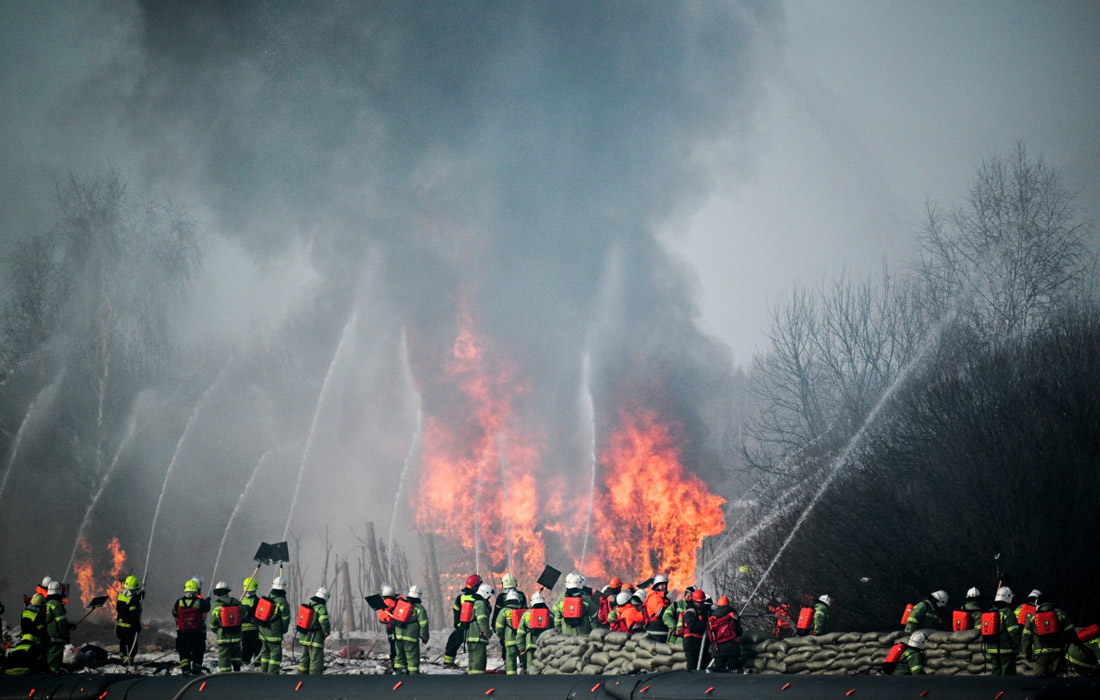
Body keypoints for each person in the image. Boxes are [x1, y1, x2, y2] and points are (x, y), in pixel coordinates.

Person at [1021, 592, 1075, 677]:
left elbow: (1026, 636)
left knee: (1039, 678)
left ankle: (1041, 690)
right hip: (1058, 651)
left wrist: (1026, 652)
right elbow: (1071, 631)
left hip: (1040, 653)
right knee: (1058, 677)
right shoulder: (1060, 614)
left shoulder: (1033, 617)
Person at [3, 594, 48, 675]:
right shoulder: (38, 616)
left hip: (24, 640)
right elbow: (43, 633)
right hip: (34, 642)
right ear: (41, 605)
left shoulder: (24, 613)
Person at [173, 578, 210, 675]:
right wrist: (207, 601)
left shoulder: (179, 602)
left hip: (182, 633)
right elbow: (207, 608)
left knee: (184, 651)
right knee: (198, 650)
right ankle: (196, 669)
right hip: (197, 633)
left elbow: (174, 613)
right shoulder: (199, 602)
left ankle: (185, 669)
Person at [443, 574, 482, 667]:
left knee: (452, 642)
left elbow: (456, 611)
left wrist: (457, 625)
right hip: (475, 629)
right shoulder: (479, 599)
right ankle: (476, 665)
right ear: (475, 587)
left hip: (462, 627)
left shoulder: (460, 598)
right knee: (476, 648)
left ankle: (448, 663)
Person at [983, 586, 1021, 675]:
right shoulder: (1008, 612)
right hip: (1005, 649)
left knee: (996, 672)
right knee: (1008, 673)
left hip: (992, 648)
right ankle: (1006, 689)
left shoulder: (991, 611)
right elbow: (1014, 632)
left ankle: (995, 688)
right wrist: (1021, 645)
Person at [257, 575, 291, 674]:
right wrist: (283, 630)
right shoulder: (283, 602)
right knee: (275, 655)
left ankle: (263, 673)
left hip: (263, 631)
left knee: (265, 653)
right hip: (274, 633)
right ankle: (272, 675)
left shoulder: (269, 597)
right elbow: (285, 619)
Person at [392, 585, 429, 674]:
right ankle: (413, 677)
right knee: (412, 658)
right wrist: (425, 637)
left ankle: (399, 675)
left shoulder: (401, 604)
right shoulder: (419, 608)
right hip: (410, 637)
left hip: (397, 636)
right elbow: (424, 624)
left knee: (399, 657)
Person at [209, 581, 244, 672]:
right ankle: (237, 671)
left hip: (223, 636)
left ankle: (225, 674)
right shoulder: (236, 602)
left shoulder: (216, 605)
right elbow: (244, 614)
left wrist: (218, 631)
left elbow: (212, 623)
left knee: (223, 657)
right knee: (236, 654)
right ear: (227, 591)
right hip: (236, 635)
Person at [492, 573, 527, 662]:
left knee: (507, 652)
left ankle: (508, 666)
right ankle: (523, 667)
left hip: (506, 630)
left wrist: (494, 627)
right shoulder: (521, 595)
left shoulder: (501, 597)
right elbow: (526, 611)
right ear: (515, 583)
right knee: (522, 649)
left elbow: (496, 614)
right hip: (521, 628)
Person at [297, 587, 331, 675]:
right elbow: (324, 620)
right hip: (315, 638)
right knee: (316, 658)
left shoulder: (311, 604)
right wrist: (326, 630)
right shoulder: (321, 607)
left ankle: (301, 676)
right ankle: (314, 679)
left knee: (304, 658)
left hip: (305, 636)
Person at [708, 595, 743, 673]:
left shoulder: (713, 616)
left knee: (719, 670)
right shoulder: (732, 614)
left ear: (718, 605)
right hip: (732, 647)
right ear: (728, 604)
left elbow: (710, 632)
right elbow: (739, 632)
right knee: (733, 671)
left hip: (718, 648)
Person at [464, 582, 493, 674]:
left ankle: (471, 683)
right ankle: (478, 683)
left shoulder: (475, 602)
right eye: (489, 596)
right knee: (479, 664)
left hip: (470, 637)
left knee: (472, 664)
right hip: (478, 638)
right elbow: (482, 621)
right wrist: (487, 633)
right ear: (485, 593)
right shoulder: (480, 604)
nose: (489, 598)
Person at [494, 589, 525, 674]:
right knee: (524, 662)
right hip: (522, 641)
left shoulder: (504, 611)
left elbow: (499, 627)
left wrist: (502, 637)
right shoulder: (523, 611)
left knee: (510, 661)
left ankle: (511, 679)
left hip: (509, 641)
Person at [680, 589, 711, 671]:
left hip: (701, 642)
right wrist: (704, 625)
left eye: (702, 602)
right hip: (691, 642)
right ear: (694, 601)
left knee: (703, 666)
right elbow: (692, 626)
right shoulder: (690, 612)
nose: (700, 604)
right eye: (698, 602)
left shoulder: (705, 612)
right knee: (692, 666)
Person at [44, 580, 71, 673]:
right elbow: (61, 622)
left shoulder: (46, 604)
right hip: (56, 638)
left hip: (47, 637)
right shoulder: (56, 604)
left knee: (47, 659)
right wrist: (66, 634)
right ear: (59, 591)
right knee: (54, 664)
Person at [115, 575, 143, 665]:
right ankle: (129, 661)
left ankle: (123, 658)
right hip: (130, 627)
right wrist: (137, 626)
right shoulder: (133, 599)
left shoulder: (120, 595)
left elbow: (128, 600)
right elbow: (133, 614)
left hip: (120, 626)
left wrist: (138, 597)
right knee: (132, 645)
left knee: (123, 643)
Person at [643, 574, 671, 642]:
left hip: (661, 631)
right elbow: (662, 611)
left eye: (665, 584)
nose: (664, 587)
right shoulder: (654, 597)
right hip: (655, 632)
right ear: (656, 586)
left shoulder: (663, 598)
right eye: (661, 585)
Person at [239, 577, 260, 666]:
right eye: (248, 591)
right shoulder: (240, 601)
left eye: (251, 591)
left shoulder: (257, 601)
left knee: (256, 648)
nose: (249, 593)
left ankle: (257, 664)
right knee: (247, 649)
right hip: (246, 631)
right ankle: (246, 664)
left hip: (254, 630)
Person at [378, 584, 399, 671]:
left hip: (390, 627)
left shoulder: (383, 604)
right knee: (397, 645)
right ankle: (398, 662)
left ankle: (393, 662)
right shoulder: (395, 602)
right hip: (396, 627)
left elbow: (381, 619)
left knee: (392, 645)